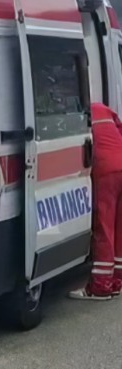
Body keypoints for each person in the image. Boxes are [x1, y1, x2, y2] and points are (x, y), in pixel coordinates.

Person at [69, 102, 122, 300]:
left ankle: (100, 287)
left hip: (105, 170)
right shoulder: (102, 108)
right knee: (119, 228)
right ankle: (117, 281)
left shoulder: (74, 113)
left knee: (104, 227)